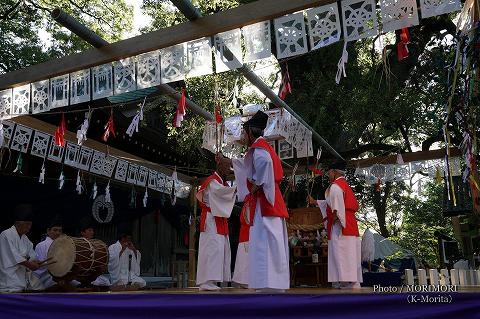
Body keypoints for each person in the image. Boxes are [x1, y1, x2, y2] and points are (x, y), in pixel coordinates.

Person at [221, 110, 290, 292]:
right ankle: (274, 283)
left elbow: (264, 165)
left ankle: (267, 283)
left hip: (266, 201)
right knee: (271, 242)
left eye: (244, 132)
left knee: (263, 241)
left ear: (251, 131)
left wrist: (257, 184)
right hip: (271, 199)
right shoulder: (264, 147)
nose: (244, 136)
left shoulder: (259, 150)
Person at [308, 161, 363, 289]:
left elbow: (336, 207)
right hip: (349, 223)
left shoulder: (336, 186)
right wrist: (315, 202)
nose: (328, 175)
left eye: (329, 172)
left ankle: (348, 281)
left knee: (343, 252)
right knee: (350, 252)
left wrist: (335, 218)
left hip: (341, 225)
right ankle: (352, 282)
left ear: (335, 172)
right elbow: (330, 202)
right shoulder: (343, 185)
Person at [195, 157, 236, 291]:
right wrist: (236, 188)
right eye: (226, 166)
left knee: (218, 249)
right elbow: (221, 193)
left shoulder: (220, 182)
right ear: (219, 165)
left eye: (229, 167)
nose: (228, 170)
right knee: (211, 249)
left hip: (218, 218)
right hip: (211, 219)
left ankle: (210, 280)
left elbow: (224, 194)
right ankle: (205, 281)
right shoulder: (212, 181)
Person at [0, 204, 44, 292]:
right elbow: (15, 257)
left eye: (30, 224)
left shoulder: (25, 238)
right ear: (17, 223)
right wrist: (30, 264)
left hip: (21, 280)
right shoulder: (5, 234)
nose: (29, 227)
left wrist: (35, 261)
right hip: (8, 280)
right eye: (27, 224)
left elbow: (32, 255)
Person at [33, 218, 63, 288]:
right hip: (45, 277)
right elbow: (40, 266)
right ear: (48, 231)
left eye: (60, 231)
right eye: (55, 230)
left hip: (59, 275)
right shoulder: (41, 245)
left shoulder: (62, 245)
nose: (58, 233)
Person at [232, 200, 250, 288]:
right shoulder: (249, 201)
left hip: (245, 233)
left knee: (243, 257)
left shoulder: (247, 201)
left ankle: (243, 280)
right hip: (247, 233)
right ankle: (245, 280)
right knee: (245, 257)